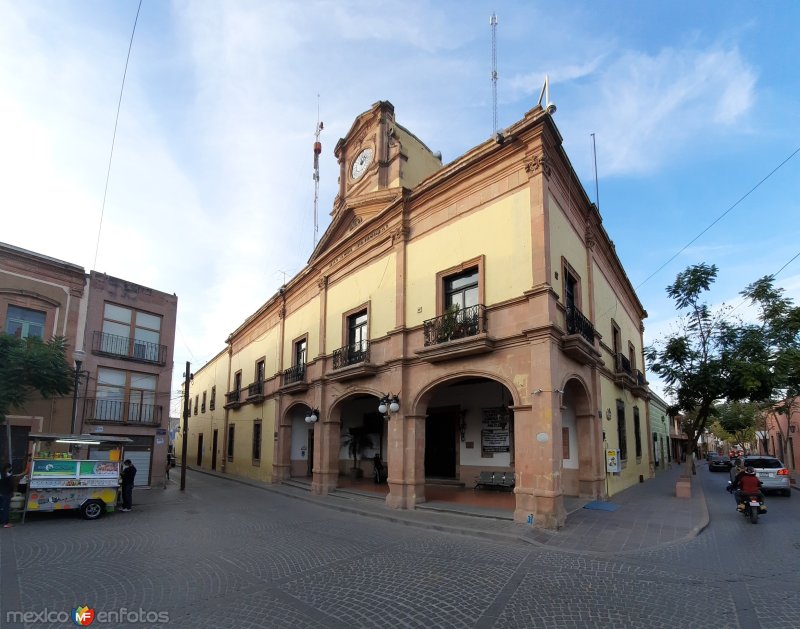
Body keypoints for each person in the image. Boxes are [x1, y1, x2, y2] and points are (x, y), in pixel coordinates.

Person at [0, 464, 15, 528]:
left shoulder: (1, 475)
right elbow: (11, 486)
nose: (10, 469)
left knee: (1, 507)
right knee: (6, 508)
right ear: (7, 468)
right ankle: (6, 523)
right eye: (10, 468)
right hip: (6, 494)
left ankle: (1, 521)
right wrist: (12, 492)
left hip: (1, 493)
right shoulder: (8, 476)